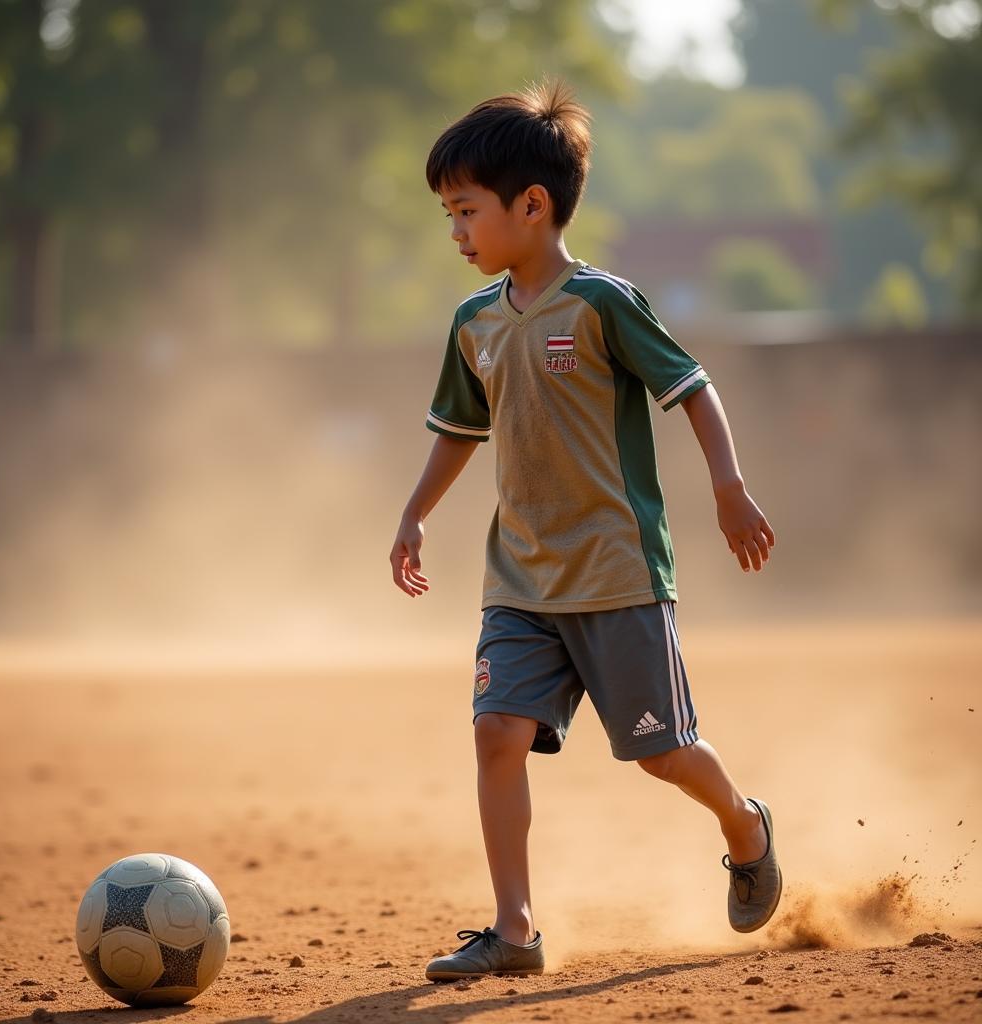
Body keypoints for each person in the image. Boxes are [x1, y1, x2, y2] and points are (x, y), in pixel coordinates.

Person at [389, 80, 781, 982]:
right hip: (520, 579)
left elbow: (692, 387)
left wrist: (727, 484)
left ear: (532, 206)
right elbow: (458, 431)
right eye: (448, 213)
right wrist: (414, 513)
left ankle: (745, 824)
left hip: (617, 572)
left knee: (663, 754)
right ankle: (515, 932)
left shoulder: (603, 302)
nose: (455, 232)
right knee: (497, 734)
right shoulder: (474, 323)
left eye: (465, 211)